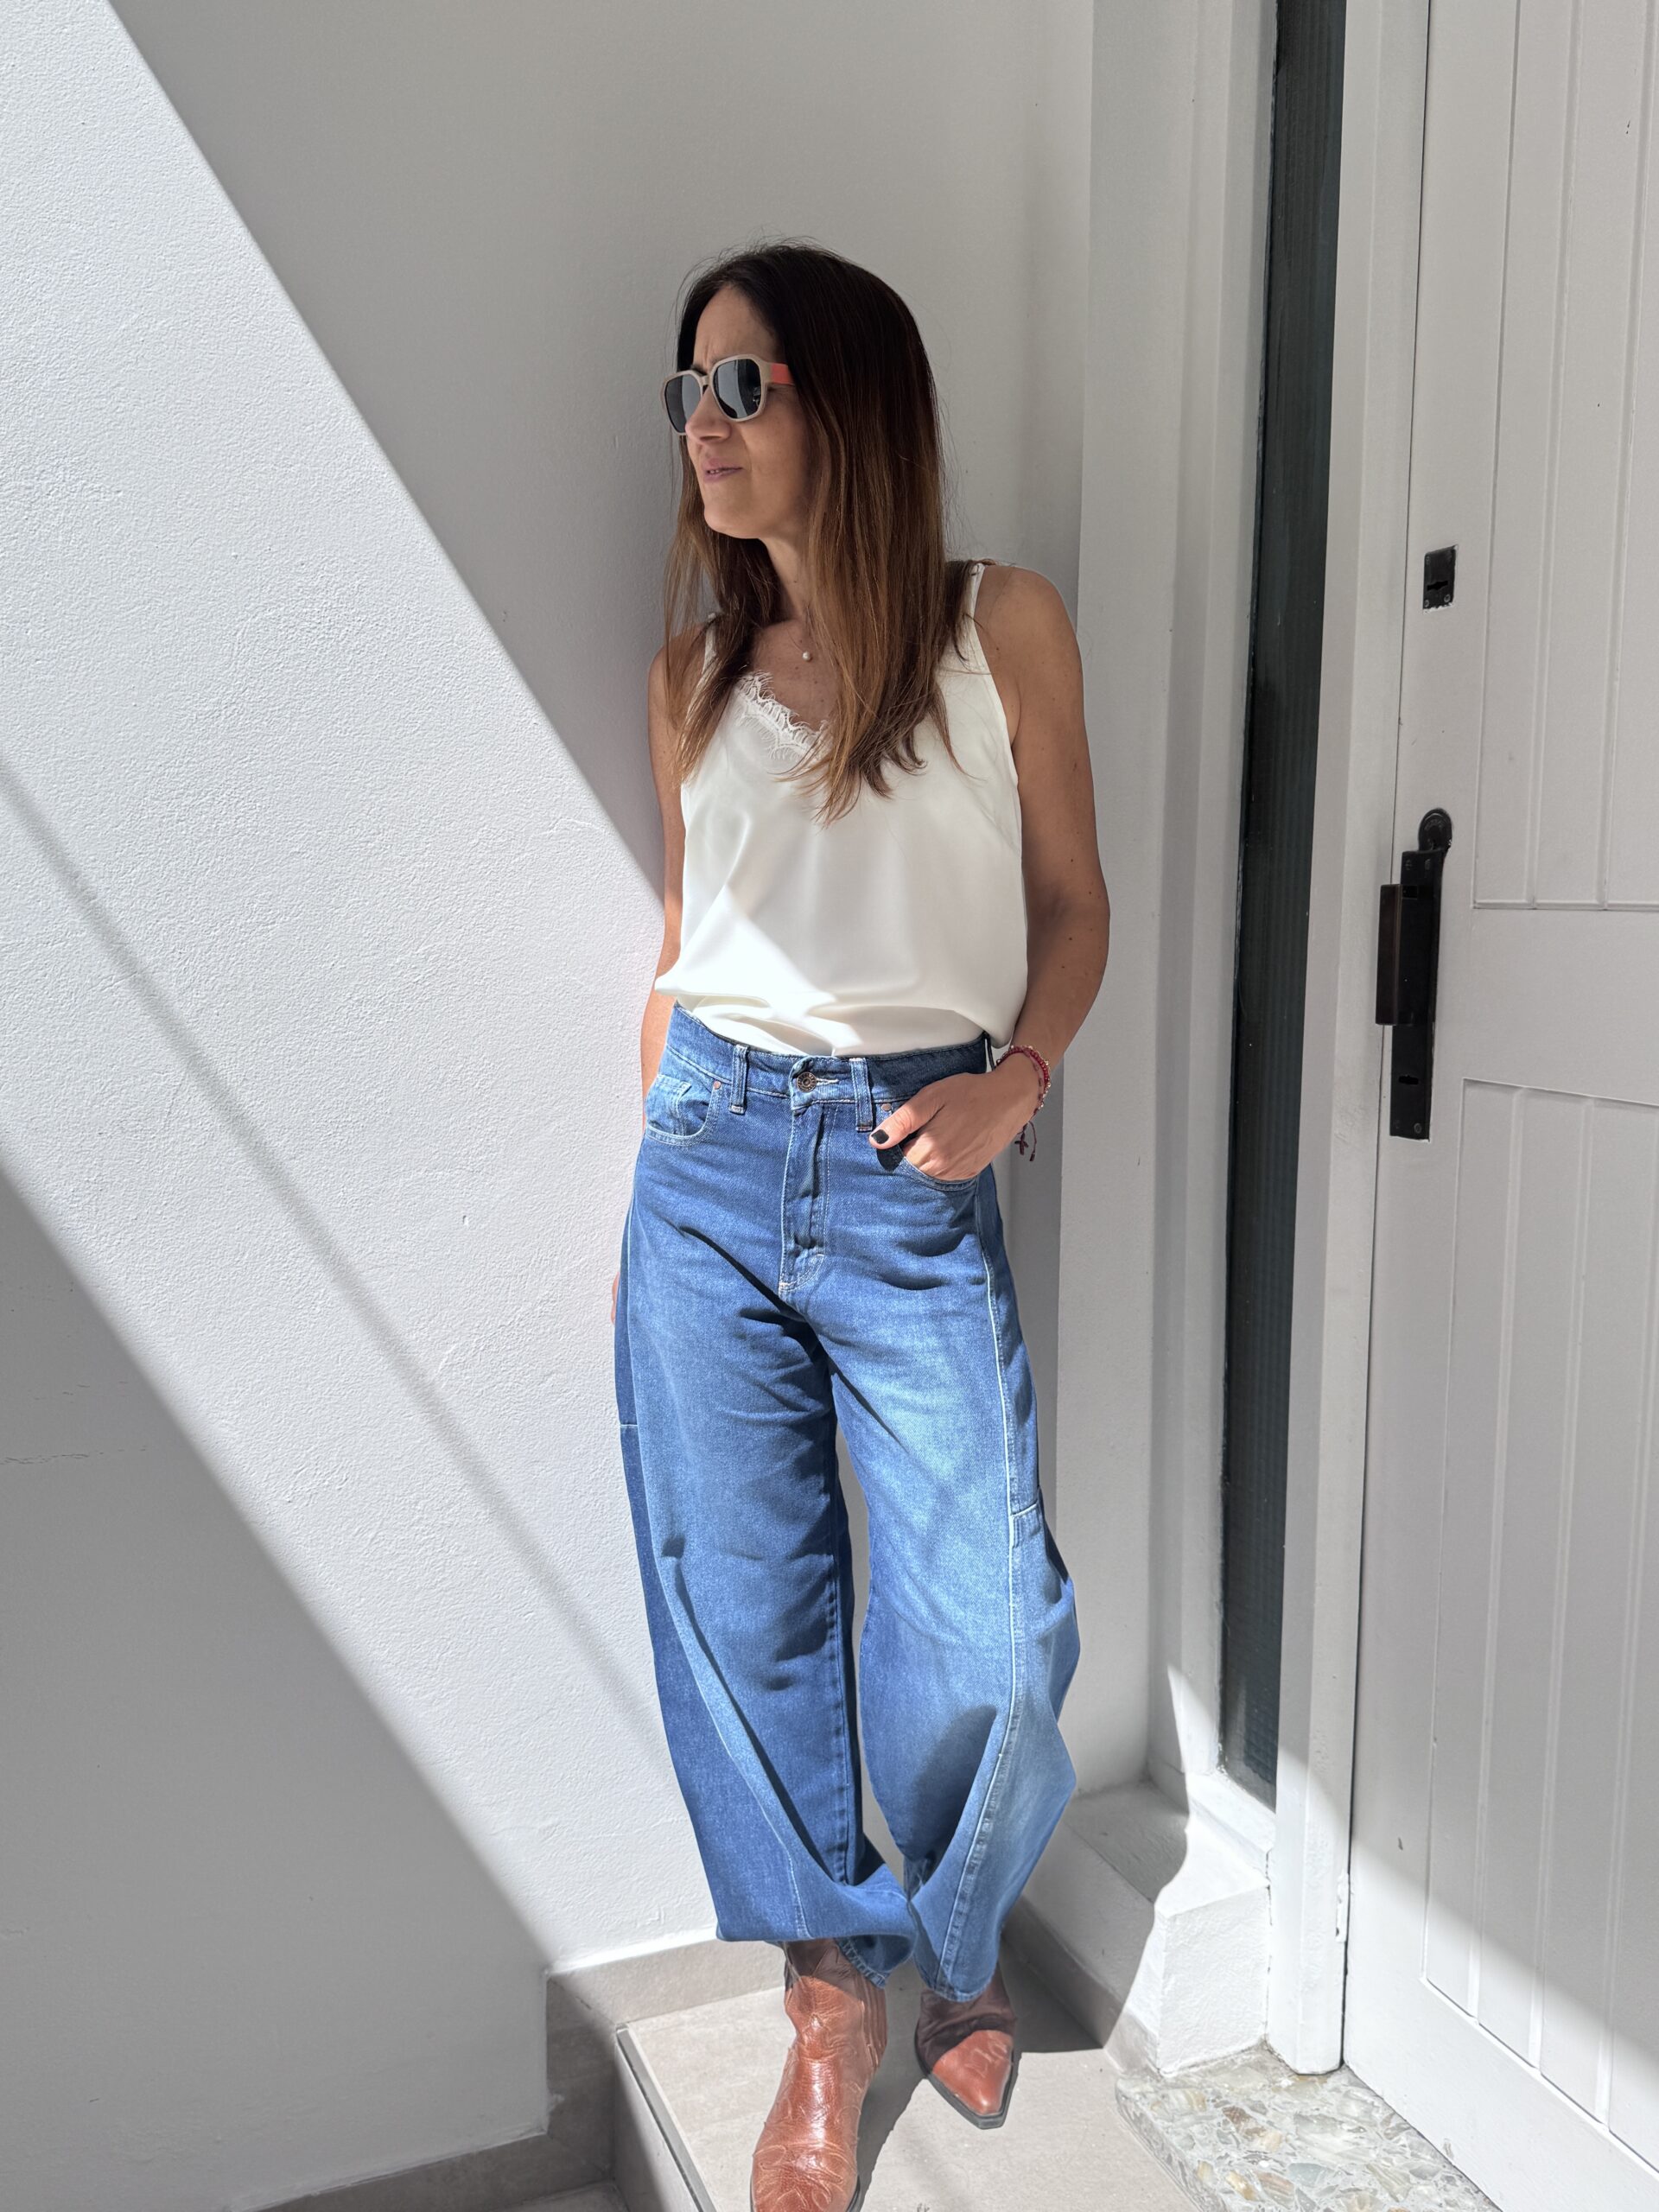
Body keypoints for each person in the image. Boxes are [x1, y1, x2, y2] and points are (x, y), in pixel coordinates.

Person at [611, 240, 1110, 2212]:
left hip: (917, 1154)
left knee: (987, 1623)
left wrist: (1020, 1079)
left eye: (744, 384)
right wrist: (668, 1103)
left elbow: (1072, 904)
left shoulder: (1003, 628)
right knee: (740, 1599)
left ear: (853, 399)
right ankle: (832, 1997)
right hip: (708, 1167)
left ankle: (956, 1932)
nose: (704, 426)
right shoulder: (692, 677)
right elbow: (687, 939)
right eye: (691, 392)